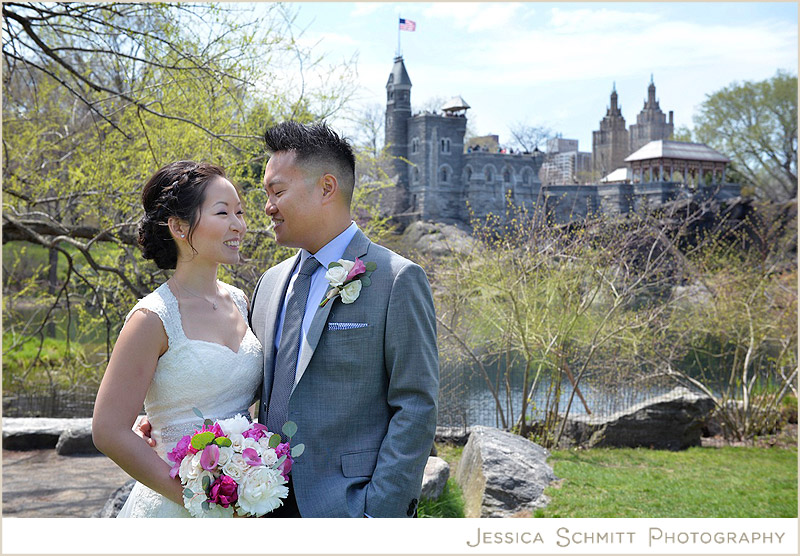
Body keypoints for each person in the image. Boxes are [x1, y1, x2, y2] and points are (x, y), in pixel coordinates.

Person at [249, 121, 439, 518]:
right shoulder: (269, 284)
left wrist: (377, 513)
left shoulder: (396, 279)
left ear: (326, 188)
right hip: (260, 505)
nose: (267, 206)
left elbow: (416, 406)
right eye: (266, 193)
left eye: (277, 191)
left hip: (348, 506)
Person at [92, 161, 263, 518]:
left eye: (240, 212)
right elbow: (108, 430)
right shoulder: (152, 318)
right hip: (175, 507)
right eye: (223, 212)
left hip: (244, 501)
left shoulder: (242, 301)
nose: (239, 225)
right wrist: (199, 500)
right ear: (179, 226)